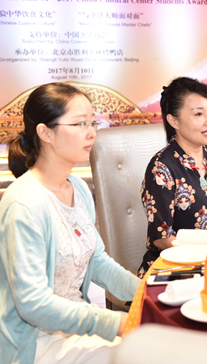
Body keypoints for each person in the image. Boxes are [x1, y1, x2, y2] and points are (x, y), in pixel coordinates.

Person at [0, 83, 141, 364]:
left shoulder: (77, 187)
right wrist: (115, 322)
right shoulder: (24, 203)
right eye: (79, 124)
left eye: (92, 123)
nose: (91, 133)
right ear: (45, 133)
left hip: (74, 327)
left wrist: (145, 293)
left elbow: (96, 261)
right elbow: (33, 304)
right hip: (36, 343)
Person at [138, 77, 207, 276]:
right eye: (198, 114)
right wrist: (203, 252)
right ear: (174, 121)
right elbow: (161, 238)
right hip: (175, 268)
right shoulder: (162, 167)